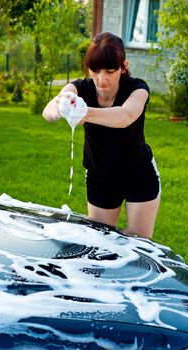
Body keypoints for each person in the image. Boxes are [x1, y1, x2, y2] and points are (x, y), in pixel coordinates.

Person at [42, 32, 161, 239]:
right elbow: (49, 110)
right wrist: (60, 108)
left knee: (140, 241)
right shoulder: (81, 88)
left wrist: (86, 112)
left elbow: (126, 115)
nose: (101, 78)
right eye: (95, 70)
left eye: (110, 71)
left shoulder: (137, 88)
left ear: (124, 66)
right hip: (100, 175)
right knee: (102, 240)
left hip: (138, 173)